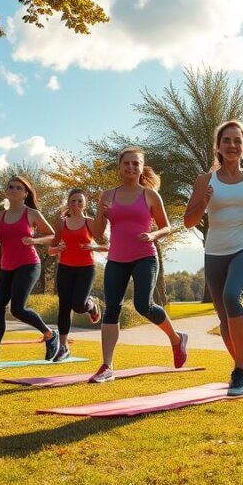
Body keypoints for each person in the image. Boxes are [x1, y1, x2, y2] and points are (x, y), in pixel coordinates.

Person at [184, 120, 243, 396]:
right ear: (219, 146)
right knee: (224, 317)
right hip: (215, 253)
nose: (232, 145)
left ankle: (239, 370)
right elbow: (189, 221)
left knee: (230, 296)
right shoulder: (205, 180)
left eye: (238, 141)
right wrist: (203, 201)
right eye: (227, 140)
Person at [88, 147, 187, 383]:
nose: (131, 167)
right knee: (112, 308)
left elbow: (166, 226)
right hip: (116, 259)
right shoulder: (107, 195)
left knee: (144, 305)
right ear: (119, 166)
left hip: (145, 256)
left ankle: (176, 339)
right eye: (127, 163)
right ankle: (107, 366)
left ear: (142, 168)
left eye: (136, 163)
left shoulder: (150, 195)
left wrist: (154, 236)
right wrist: (101, 214)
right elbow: (98, 234)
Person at [0, 175, 59, 369]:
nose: (14, 190)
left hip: (29, 264)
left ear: (25, 193)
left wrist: (34, 241)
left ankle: (50, 333)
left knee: (17, 309)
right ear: (6, 191)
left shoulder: (31, 213)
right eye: (11, 187)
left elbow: (52, 236)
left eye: (19, 188)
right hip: (6, 267)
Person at [48, 188, 106, 362]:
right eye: (73, 201)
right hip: (65, 268)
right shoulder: (61, 223)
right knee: (64, 308)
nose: (76, 204)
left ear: (84, 204)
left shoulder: (89, 222)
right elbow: (51, 249)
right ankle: (63, 348)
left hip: (86, 269)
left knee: (78, 305)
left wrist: (93, 247)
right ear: (68, 203)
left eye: (79, 201)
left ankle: (91, 304)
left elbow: (108, 245)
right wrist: (57, 249)